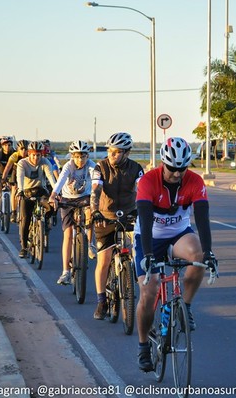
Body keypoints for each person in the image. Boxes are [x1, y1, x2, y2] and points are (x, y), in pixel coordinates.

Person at [134, 137, 218, 372]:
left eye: (182, 168)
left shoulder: (195, 181)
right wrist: (149, 254)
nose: (177, 173)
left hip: (178, 233)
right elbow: (145, 219)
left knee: (198, 256)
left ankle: (186, 307)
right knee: (149, 291)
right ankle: (142, 346)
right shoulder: (148, 180)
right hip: (149, 236)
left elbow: (202, 218)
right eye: (172, 168)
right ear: (163, 163)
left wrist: (209, 252)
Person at [90, 132, 144, 320]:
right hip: (105, 217)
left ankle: (135, 277)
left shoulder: (136, 168)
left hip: (129, 214)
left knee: (139, 249)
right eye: (110, 151)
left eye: (117, 152)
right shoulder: (100, 167)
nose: (112, 155)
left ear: (126, 153)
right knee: (103, 261)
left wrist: (143, 210)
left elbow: (142, 190)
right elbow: (96, 190)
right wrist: (95, 211)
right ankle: (101, 301)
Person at [49, 141, 96, 285]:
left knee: (91, 211)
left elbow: (97, 180)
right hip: (68, 199)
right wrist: (53, 195)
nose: (80, 160)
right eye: (76, 156)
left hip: (84, 197)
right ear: (72, 156)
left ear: (87, 156)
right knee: (68, 234)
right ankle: (65, 272)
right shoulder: (69, 166)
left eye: (83, 156)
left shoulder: (92, 165)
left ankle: (90, 244)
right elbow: (60, 181)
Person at [16, 141, 57, 258]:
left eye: (38, 155)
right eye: (33, 155)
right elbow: (20, 178)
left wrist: (55, 192)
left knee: (51, 205)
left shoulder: (45, 162)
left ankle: (44, 224)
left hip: (40, 190)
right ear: (29, 154)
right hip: (26, 192)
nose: (36, 158)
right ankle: (24, 247)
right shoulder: (22, 163)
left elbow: (50, 177)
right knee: (25, 219)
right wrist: (20, 190)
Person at [2, 139, 29, 223]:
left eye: (26, 149)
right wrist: (3, 178)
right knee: (14, 188)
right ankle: (13, 212)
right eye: (21, 149)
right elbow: (7, 168)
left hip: (26, 173)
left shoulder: (30, 156)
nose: (24, 151)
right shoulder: (15, 156)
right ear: (18, 149)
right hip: (16, 171)